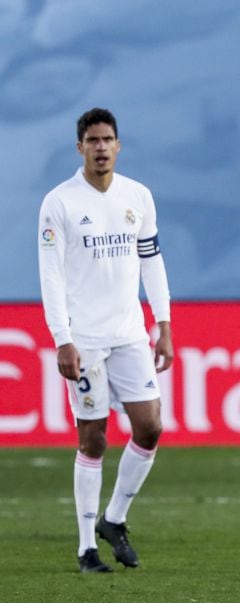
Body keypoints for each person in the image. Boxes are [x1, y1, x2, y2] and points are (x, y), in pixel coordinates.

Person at [37, 108, 174, 573]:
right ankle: (85, 548)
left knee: (150, 426)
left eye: (108, 140)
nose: (100, 147)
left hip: (131, 334)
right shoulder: (60, 203)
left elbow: (151, 262)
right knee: (93, 438)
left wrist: (164, 324)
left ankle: (114, 520)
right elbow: (51, 276)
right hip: (86, 338)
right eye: (92, 140)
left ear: (118, 145)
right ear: (80, 147)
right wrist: (63, 338)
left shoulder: (138, 196)